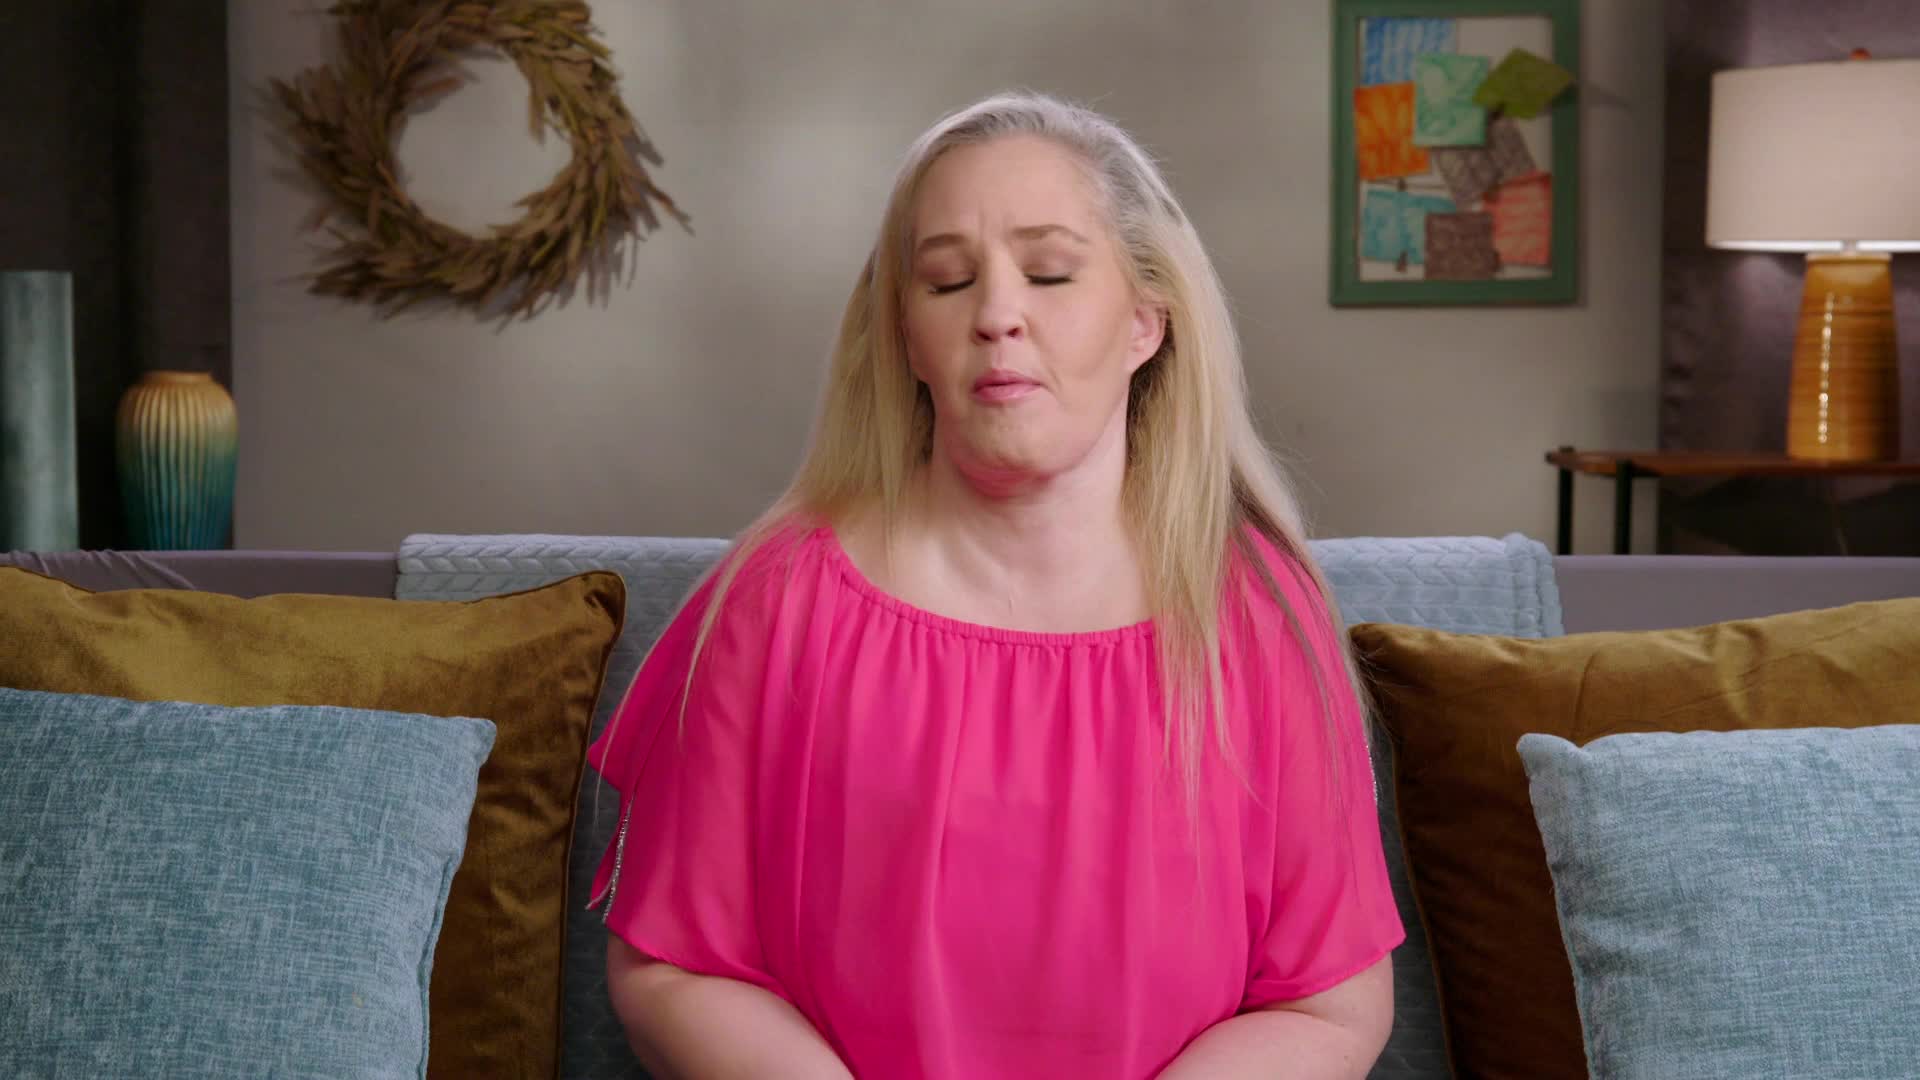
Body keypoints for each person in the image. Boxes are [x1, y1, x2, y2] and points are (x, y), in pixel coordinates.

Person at [585, 90, 1403, 1079]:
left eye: (1050, 273)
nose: (995, 316)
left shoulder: (1260, 616)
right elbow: (674, 970)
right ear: (906, 336)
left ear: (1147, 321)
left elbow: (1327, 1006)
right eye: (946, 281)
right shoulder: (775, 601)